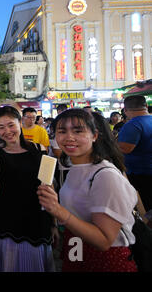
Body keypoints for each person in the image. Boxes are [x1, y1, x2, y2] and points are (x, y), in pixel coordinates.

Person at [37, 109, 138, 272]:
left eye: (78, 131)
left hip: (104, 261)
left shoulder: (106, 176)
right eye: (62, 131)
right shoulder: (75, 167)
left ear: (95, 135)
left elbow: (104, 241)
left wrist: (57, 210)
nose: (69, 137)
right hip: (76, 250)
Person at [0, 106, 56, 272]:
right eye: (1, 127)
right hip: (7, 220)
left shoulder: (38, 150)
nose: (7, 131)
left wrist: (53, 222)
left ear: (19, 123)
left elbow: (48, 187)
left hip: (36, 221)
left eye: (10, 125)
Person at [117, 95, 152, 211]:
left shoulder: (133, 124)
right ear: (146, 106)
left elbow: (125, 148)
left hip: (140, 174)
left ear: (125, 110)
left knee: (145, 207)